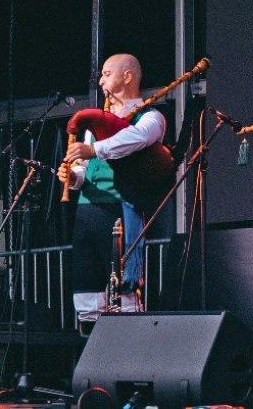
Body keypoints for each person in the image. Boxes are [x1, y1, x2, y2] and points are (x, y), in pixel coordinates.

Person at [58, 54, 164, 325]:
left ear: (127, 76)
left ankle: (130, 346)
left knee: (124, 289)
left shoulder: (150, 117)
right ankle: (90, 341)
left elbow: (135, 139)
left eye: (107, 74)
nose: (101, 81)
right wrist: (72, 177)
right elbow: (85, 171)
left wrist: (93, 149)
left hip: (120, 208)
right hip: (87, 210)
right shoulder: (94, 126)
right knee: (87, 288)